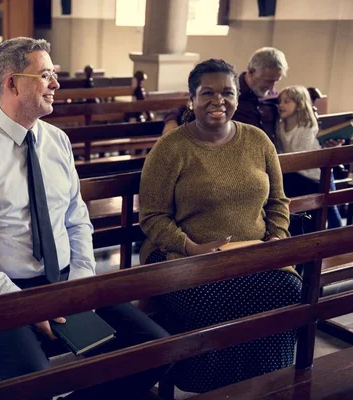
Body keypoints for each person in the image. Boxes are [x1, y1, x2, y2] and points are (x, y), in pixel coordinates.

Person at [0, 37, 170, 399]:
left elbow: (77, 219)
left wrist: (79, 284)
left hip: (65, 281)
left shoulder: (58, 141)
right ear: (12, 83)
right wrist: (22, 304)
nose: (56, 84)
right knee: (37, 381)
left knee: (156, 349)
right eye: (45, 74)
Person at [140, 59, 302, 393]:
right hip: (183, 255)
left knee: (287, 290)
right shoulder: (171, 148)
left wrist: (276, 239)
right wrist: (191, 248)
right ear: (191, 99)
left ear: (238, 97)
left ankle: (266, 385)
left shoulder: (258, 141)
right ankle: (209, 389)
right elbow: (152, 217)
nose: (219, 101)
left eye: (227, 92)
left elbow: (278, 202)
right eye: (207, 93)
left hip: (254, 252)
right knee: (213, 299)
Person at [163, 47, 288, 144]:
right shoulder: (228, 91)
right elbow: (184, 109)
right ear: (251, 72)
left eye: (276, 81)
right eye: (267, 80)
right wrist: (171, 123)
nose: (272, 87)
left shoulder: (274, 96)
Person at [277, 85, 344, 228]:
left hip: (317, 174)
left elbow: (306, 153)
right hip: (299, 174)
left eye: (287, 101)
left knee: (330, 208)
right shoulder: (280, 125)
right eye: (280, 101)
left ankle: (339, 235)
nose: (281, 105)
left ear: (299, 105)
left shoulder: (306, 127)